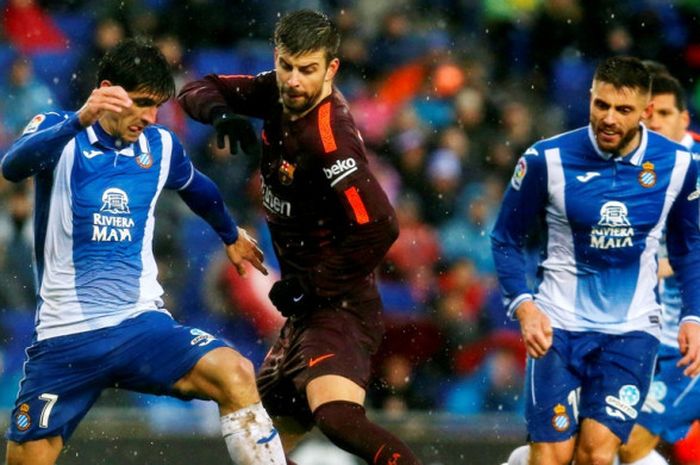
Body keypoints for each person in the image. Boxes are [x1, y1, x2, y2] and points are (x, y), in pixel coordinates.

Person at [1, 38, 286, 465]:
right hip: (66, 340)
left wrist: (229, 234)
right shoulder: (58, 130)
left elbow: (199, 189)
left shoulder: (161, 146)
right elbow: (12, 166)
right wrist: (80, 119)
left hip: (139, 326)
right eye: (140, 103)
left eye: (157, 105)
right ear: (107, 90)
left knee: (237, 373)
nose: (150, 117)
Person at [178, 9, 422, 465]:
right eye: (286, 64)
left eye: (307, 70)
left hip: (340, 308)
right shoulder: (276, 90)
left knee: (336, 418)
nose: (292, 80)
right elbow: (196, 87)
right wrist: (222, 114)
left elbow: (381, 225)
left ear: (331, 69)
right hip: (303, 313)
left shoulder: (331, 141)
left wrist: (313, 286)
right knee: (255, 447)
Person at [490, 55, 700, 465]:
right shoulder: (544, 159)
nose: (608, 118)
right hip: (558, 327)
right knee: (550, 455)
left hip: (631, 332)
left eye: (623, 110)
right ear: (590, 98)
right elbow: (505, 238)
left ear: (646, 111)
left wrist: (693, 317)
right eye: (601, 105)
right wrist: (524, 305)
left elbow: (689, 246)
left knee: (598, 456)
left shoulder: (678, 166)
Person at [617, 72, 700, 465]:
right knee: (605, 445)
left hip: (690, 347)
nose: (656, 123)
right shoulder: (633, 171)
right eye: (649, 114)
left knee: (631, 443)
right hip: (645, 334)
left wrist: (666, 263)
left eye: (664, 113)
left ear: (684, 118)